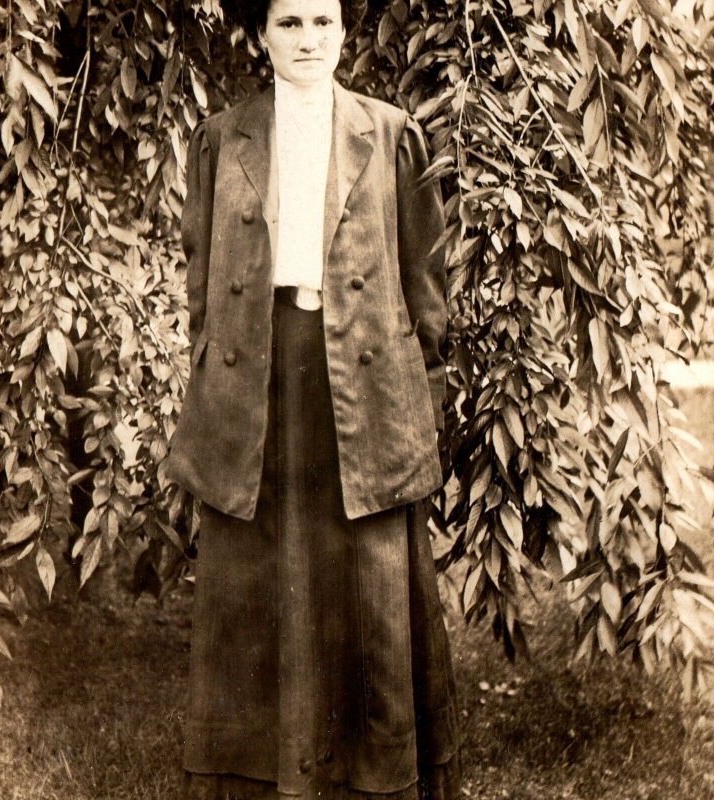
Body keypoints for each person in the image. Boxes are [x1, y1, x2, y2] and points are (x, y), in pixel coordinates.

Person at [166, 1, 462, 798]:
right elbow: (201, 280)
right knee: (263, 574)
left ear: (344, 32)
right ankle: (260, 778)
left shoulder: (390, 132)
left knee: (362, 577)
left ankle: (370, 773)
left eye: (321, 22)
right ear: (262, 33)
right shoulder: (225, 137)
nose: (307, 40)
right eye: (289, 22)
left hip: (363, 381)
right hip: (261, 374)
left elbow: (425, 279)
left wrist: (414, 390)